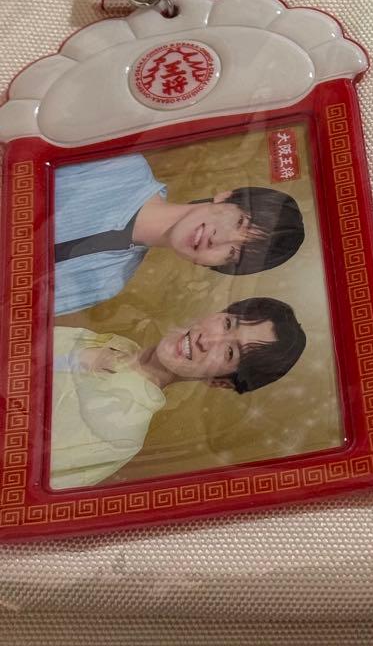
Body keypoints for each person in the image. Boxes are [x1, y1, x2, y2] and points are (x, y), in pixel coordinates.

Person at [49, 297, 307, 490]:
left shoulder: (120, 432)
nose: (207, 340)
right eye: (227, 323)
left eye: (230, 352)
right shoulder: (105, 341)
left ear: (220, 382)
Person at [52, 153, 305, 316]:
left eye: (233, 253)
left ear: (209, 265)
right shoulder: (123, 166)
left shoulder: (106, 283)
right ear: (226, 197)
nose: (217, 240)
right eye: (240, 222)